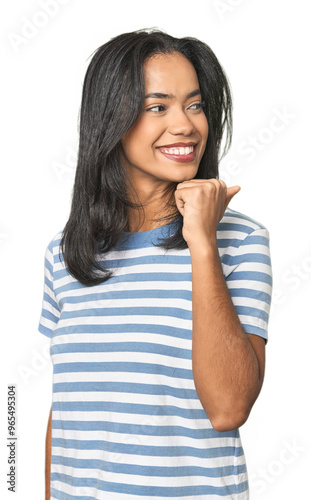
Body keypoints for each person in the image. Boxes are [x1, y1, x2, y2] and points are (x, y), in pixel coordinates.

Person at [39, 28, 272, 500]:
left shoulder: (241, 240)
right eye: (157, 107)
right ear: (112, 120)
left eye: (195, 104)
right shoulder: (66, 254)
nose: (185, 125)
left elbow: (228, 407)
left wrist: (201, 241)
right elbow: (65, 417)